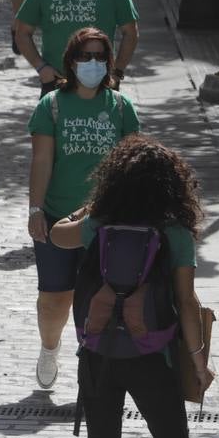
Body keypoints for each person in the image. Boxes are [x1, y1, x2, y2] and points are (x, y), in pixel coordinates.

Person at [49, 134, 219, 438]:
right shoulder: (174, 232)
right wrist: (199, 363)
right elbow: (186, 303)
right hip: (154, 357)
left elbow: (56, 235)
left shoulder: (100, 223)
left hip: (100, 356)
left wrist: (90, 208)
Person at [26, 28, 140, 389]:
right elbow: (42, 160)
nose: (92, 63)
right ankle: (49, 346)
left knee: (97, 299)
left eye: (99, 56)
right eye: (84, 56)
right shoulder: (53, 105)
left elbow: (132, 164)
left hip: (105, 221)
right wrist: (35, 210)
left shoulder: (121, 107)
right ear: (71, 61)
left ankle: (89, 367)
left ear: (109, 62)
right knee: (53, 298)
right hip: (57, 217)